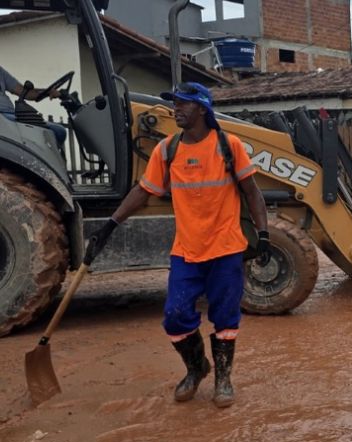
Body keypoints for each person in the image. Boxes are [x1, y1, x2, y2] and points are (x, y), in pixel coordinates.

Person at [84, 82, 270, 409]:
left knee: (225, 316)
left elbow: (252, 192)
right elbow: (144, 190)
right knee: (174, 315)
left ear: (202, 109)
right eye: (175, 103)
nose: (176, 109)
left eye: (183, 103)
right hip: (187, 250)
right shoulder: (167, 150)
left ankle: (223, 378)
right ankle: (197, 367)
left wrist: (264, 233)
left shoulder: (229, 145)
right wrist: (110, 224)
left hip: (226, 248)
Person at [0, 65, 67, 145]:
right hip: (2, 118)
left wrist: (48, 91)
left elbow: (25, 92)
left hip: (11, 114)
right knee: (57, 131)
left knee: (59, 131)